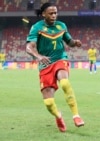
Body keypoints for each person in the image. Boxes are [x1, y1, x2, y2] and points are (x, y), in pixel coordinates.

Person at [25, 2, 84, 132]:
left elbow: (69, 42)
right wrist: (38, 56)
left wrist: (75, 43)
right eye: (51, 13)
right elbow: (29, 47)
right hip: (45, 64)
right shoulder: (37, 27)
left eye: (55, 13)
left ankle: (76, 116)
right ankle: (58, 116)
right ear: (43, 14)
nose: (54, 15)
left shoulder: (61, 26)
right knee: (49, 103)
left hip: (59, 59)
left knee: (64, 82)